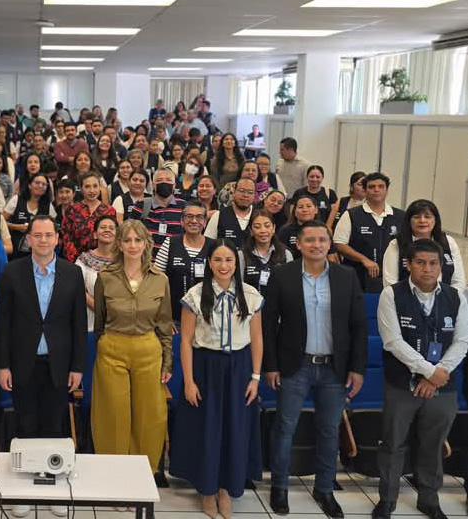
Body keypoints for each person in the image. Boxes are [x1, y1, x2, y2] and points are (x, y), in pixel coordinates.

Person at [262, 220, 366, 518]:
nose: (316, 245)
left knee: (329, 430)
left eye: (322, 240)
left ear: (330, 244)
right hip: (295, 365)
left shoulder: (346, 276)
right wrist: (271, 365)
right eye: (310, 240)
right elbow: (268, 324)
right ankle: (279, 487)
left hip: (334, 368)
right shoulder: (282, 275)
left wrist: (357, 368)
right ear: (298, 244)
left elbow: (358, 326)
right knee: (285, 428)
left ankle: (324, 489)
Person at [0, 215, 86, 518]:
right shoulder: (12, 271)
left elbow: (78, 324)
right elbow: (3, 323)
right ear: (29, 239)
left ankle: (52, 489)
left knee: (54, 427)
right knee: (25, 426)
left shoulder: (72, 273)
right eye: (38, 235)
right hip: (23, 363)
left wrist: (78, 366)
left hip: (59, 365)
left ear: (57, 239)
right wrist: (2, 365)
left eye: (49, 235)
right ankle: (23, 491)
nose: (43, 240)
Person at [374, 239, 468, 519]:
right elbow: (392, 341)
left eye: (433, 263)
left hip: (442, 385)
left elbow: (462, 341)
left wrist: (437, 375)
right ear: (408, 265)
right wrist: (429, 371)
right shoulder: (391, 294)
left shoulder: (456, 297)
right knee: (393, 443)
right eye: (420, 263)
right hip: (401, 384)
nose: (427, 269)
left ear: (441, 266)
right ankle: (387, 500)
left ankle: (429, 499)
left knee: (433, 444)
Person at [173, 238, 263, 518]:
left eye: (229, 260)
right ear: (209, 263)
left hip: (239, 368)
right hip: (205, 368)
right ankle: (207, 490)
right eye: (218, 260)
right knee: (208, 430)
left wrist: (255, 377)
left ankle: (226, 489)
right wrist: (189, 381)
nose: (224, 266)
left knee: (234, 430)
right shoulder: (195, 295)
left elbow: (257, 339)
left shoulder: (250, 295)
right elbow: (185, 341)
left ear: (236, 263)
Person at [92, 219, 172, 473]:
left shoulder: (160, 279)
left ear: (147, 244)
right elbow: (99, 321)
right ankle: (113, 475)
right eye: (127, 240)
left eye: (138, 240)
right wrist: (105, 344)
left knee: (149, 416)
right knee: (112, 415)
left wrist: (167, 361)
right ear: (119, 244)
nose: (133, 245)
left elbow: (165, 324)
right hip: (112, 349)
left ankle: (141, 475)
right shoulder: (105, 278)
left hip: (148, 350)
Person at [334, 172, 405, 293]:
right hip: (358, 277)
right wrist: (363, 259)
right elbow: (339, 243)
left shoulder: (400, 216)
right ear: (365, 190)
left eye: (381, 186)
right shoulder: (351, 215)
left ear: (387, 190)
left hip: (392, 279)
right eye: (371, 187)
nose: (376, 190)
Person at [382, 199, 465, 290]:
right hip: (406, 297)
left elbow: (459, 281)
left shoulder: (448, 242)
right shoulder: (396, 244)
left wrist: (450, 297)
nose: (422, 220)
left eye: (427, 217)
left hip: (445, 297)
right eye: (416, 217)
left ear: (435, 220)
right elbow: (390, 282)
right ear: (409, 220)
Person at [157, 200, 216, 310]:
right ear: (182, 221)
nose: (194, 221)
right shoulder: (170, 243)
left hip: (205, 312)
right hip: (173, 312)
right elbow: (157, 278)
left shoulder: (214, 246)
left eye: (199, 217)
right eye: (189, 216)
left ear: (205, 222)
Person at [126, 167, 187, 255]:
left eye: (168, 180)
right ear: (154, 185)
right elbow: (128, 233)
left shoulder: (185, 207)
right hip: (146, 261)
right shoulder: (141, 206)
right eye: (159, 180)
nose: (164, 182)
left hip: (175, 260)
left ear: (174, 185)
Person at [59, 172, 115, 262]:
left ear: (100, 187)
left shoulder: (109, 211)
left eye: (95, 186)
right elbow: (67, 238)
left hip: (103, 261)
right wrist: (78, 261)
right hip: (76, 261)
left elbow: (112, 238)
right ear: (81, 189)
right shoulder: (72, 210)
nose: (92, 190)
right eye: (87, 186)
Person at [75, 215, 116, 332]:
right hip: (89, 322)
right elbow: (77, 288)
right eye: (103, 227)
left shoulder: (124, 261)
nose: (107, 230)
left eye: (111, 228)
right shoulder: (84, 259)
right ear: (95, 234)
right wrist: (97, 308)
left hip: (117, 323)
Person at [241, 210, 292, 298]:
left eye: (267, 226)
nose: (263, 230)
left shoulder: (286, 254)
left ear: (274, 228)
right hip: (250, 304)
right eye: (257, 227)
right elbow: (239, 286)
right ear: (250, 230)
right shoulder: (242, 255)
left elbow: (290, 287)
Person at [4, 173, 56, 259]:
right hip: (16, 248)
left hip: (38, 251)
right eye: (37, 182)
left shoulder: (48, 205)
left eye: (44, 184)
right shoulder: (17, 200)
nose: (40, 186)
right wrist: (16, 227)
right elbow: (1, 222)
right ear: (29, 185)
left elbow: (53, 228)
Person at [205, 177, 255, 247]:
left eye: (250, 192)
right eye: (241, 191)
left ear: (254, 196)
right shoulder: (218, 215)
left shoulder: (259, 216)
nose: (245, 195)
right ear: (234, 192)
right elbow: (207, 245)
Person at [277, 194, 320, 260]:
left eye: (308, 206)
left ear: (316, 210)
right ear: (294, 211)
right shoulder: (285, 231)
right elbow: (280, 255)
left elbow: (331, 255)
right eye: (300, 207)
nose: (305, 210)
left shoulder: (323, 230)